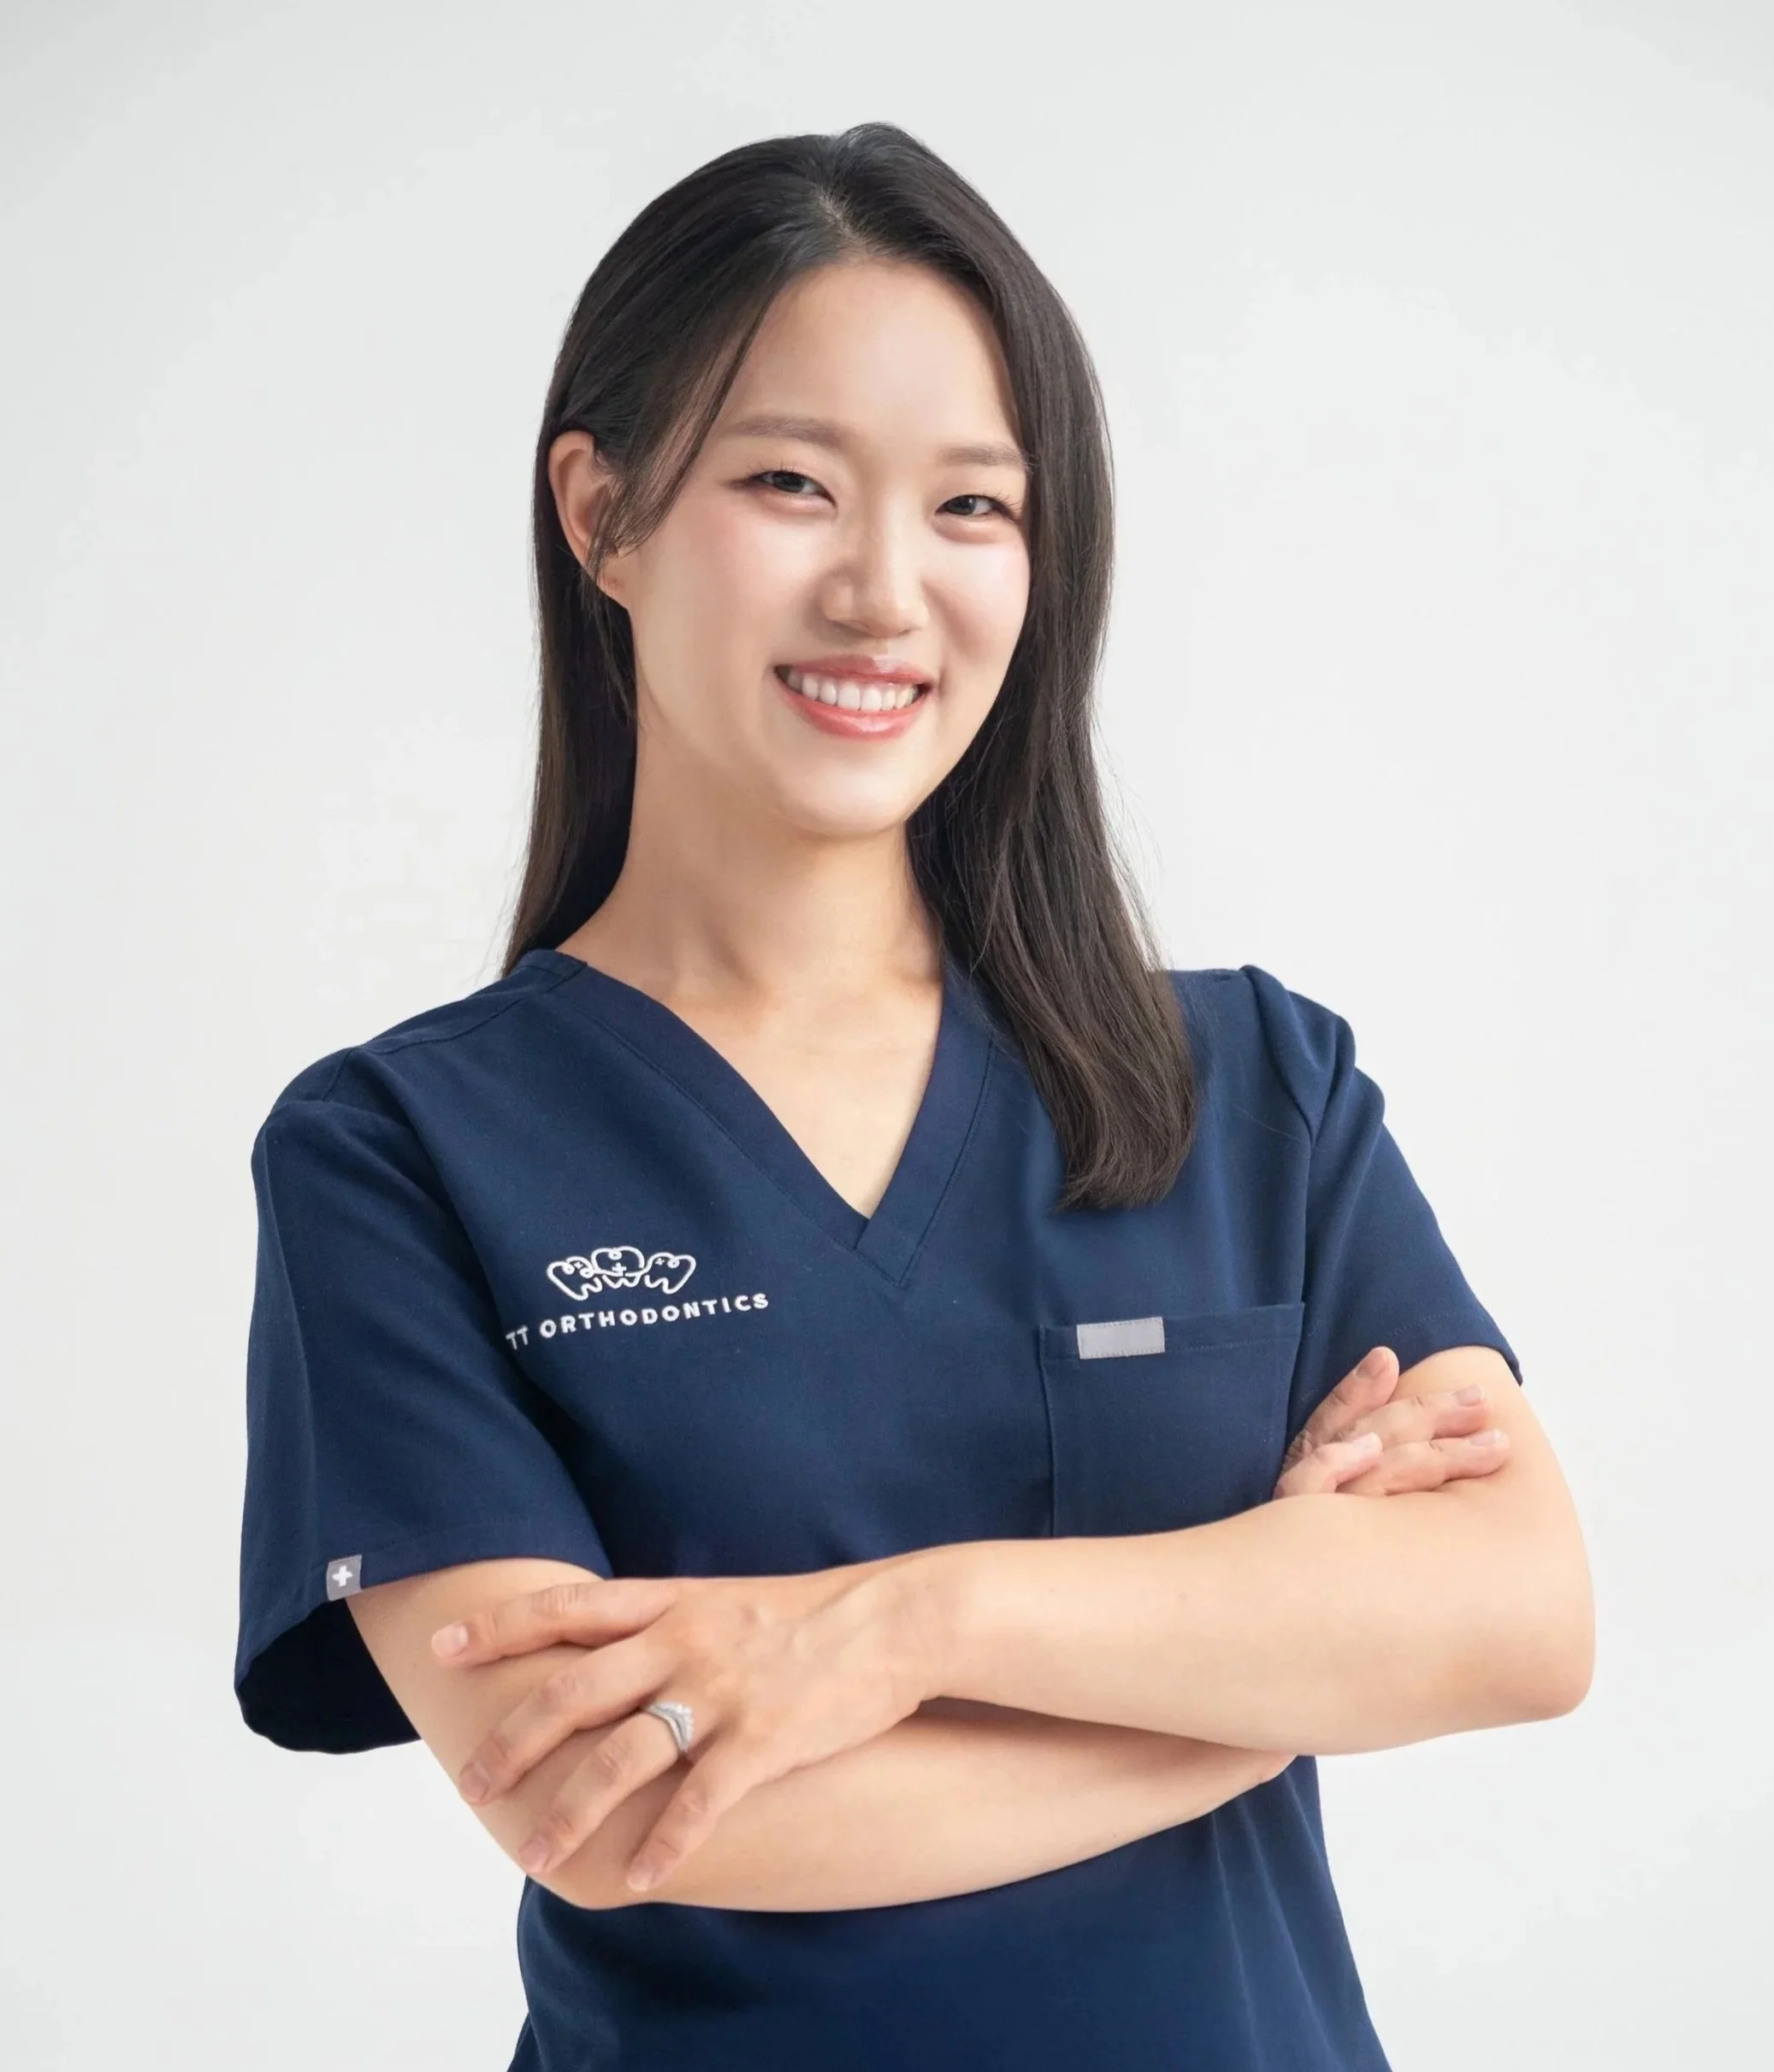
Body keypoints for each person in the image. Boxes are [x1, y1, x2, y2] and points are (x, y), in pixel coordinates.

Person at [233, 121, 1593, 2072]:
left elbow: (1519, 1614)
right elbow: (609, 1807)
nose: (884, 589)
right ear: (597, 512)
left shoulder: (1252, 1085)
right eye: (790, 481)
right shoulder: (399, 1153)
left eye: (973, 506)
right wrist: (1278, 1661)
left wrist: (884, 1629)